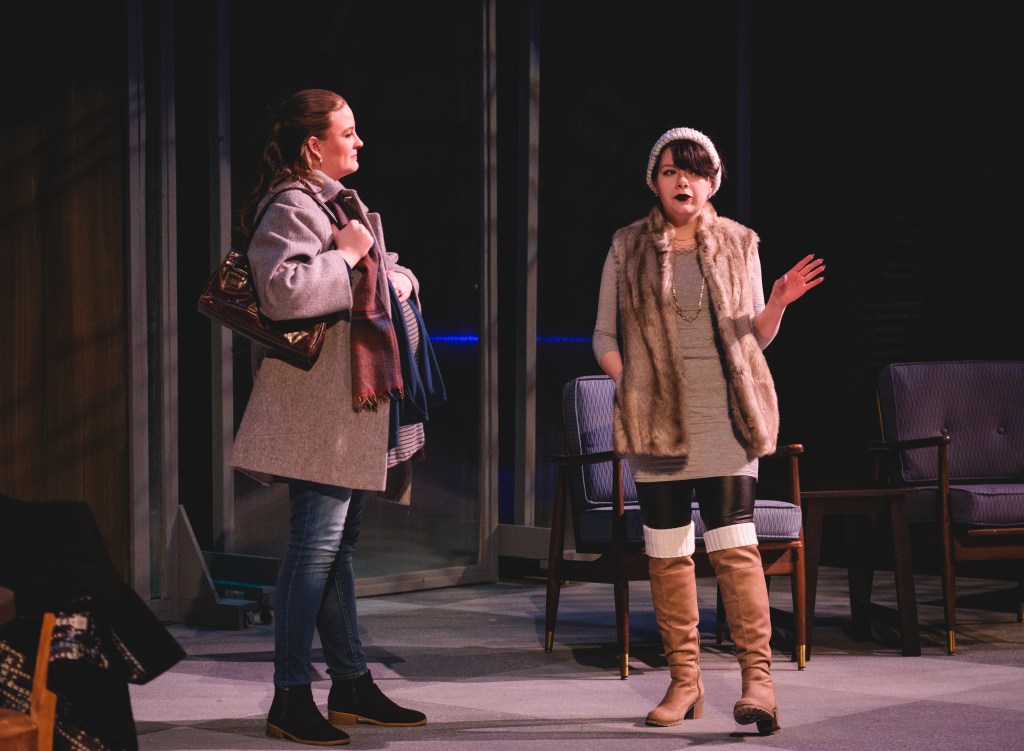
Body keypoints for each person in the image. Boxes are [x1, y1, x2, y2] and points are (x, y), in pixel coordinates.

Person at [592, 127, 824, 735]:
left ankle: (759, 683)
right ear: (654, 181)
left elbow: (755, 338)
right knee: (668, 555)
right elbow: (604, 335)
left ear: (713, 181)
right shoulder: (627, 246)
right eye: (672, 171)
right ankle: (684, 681)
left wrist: (777, 302)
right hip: (656, 421)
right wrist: (632, 383)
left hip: (726, 416)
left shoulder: (740, 242)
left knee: (735, 549)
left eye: (696, 171)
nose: (684, 182)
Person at [229, 88, 433, 746]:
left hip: (350, 405)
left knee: (337, 547)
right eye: (348, 132)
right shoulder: (291, 204)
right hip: (314, 408)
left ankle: (350, 684)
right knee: (313, 548)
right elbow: (282, 290)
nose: (359, 141)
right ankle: (290, 696)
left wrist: (399, 277)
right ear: (313, 146)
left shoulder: (338, 203)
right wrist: (346, 258)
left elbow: (376, 270)